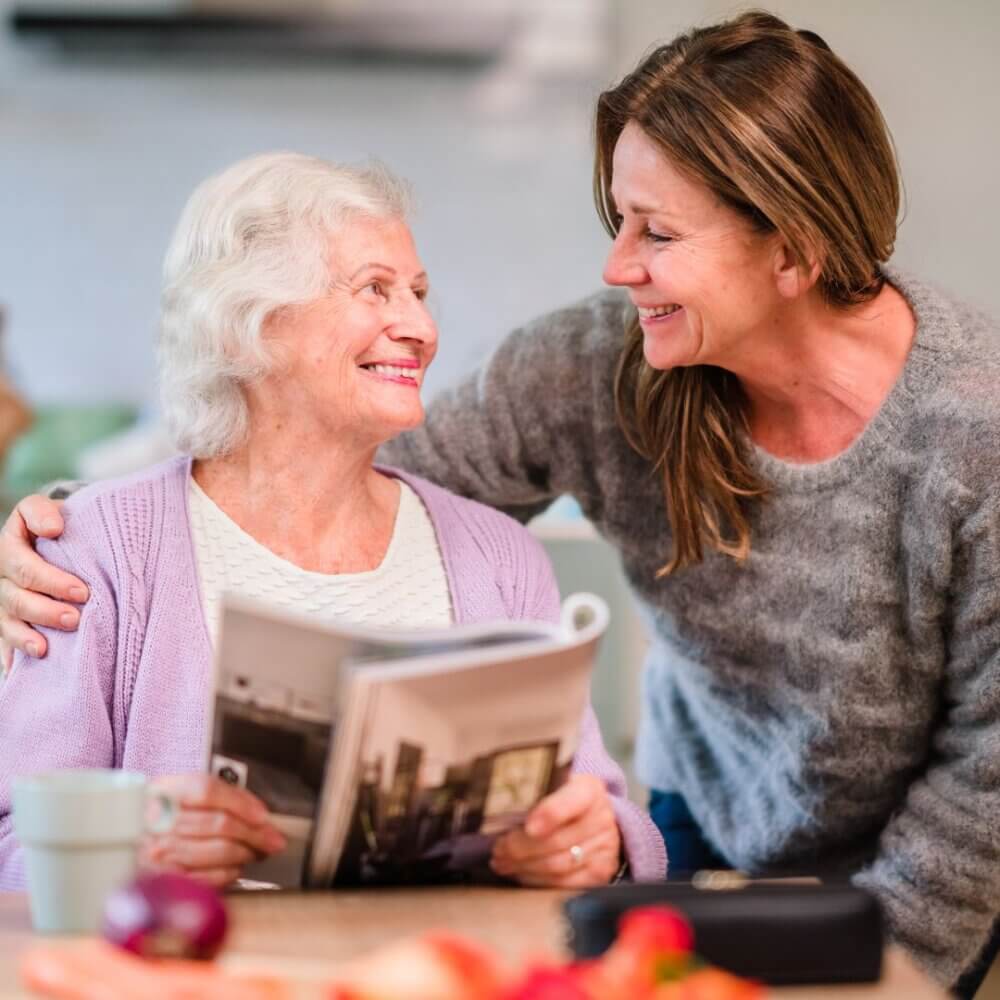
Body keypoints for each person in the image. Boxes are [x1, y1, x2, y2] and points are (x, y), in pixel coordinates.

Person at [2, 11, 998, 993]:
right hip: (708, 823)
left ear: (790, 249)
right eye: (620, 222)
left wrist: (886, 975)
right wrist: (73, 527)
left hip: (935, 861)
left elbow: (985, 777)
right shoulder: (591, 366)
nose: (617, 266)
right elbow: (317, 476)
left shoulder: (974, 433)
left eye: (656, 231)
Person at [0, 152, 665, 892]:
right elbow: (12, 842)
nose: (418, 326)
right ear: (240, 327)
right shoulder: (96, 550)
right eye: (374, 290)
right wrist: (128, 855)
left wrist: (591, 844)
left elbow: (601, 812)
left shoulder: (499, 555)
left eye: (417, 293)